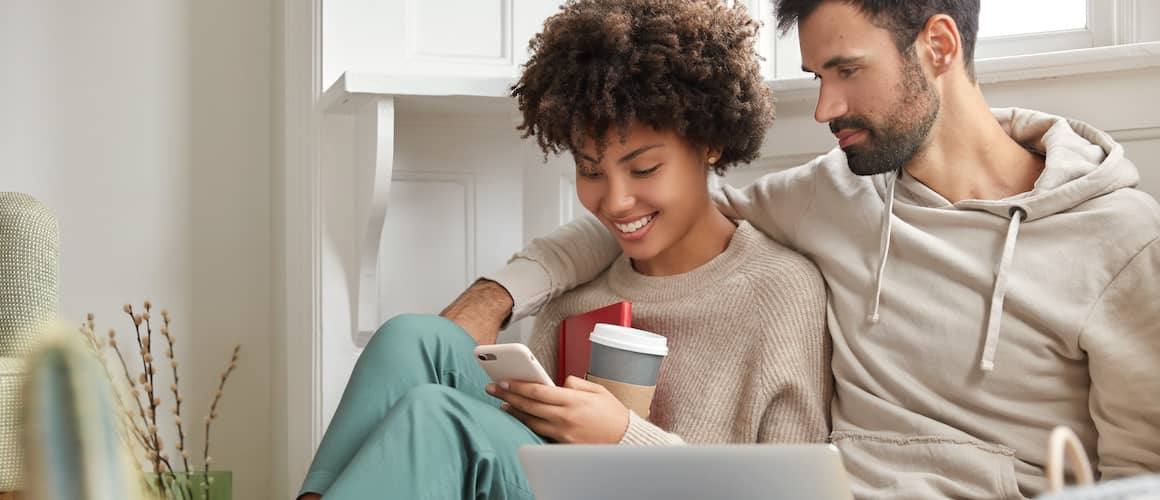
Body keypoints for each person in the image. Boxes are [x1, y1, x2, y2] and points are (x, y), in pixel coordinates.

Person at [449, 0, 1160, 498]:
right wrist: (499, 295)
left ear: (938, 47)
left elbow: (1140, 479)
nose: (823, 109)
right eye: (819, 77)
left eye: (846, 71)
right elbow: (651, 214)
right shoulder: (835, 192)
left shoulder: (1120, 240)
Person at [297, 1, 831, 498]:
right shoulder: (578, 293)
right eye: (589, 170)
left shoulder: (780, 291)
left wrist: (623, 438)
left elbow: (793, 490)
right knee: (410, 338)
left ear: (710, 142)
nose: (616, 201)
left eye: (645, 168)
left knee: (436, 413)